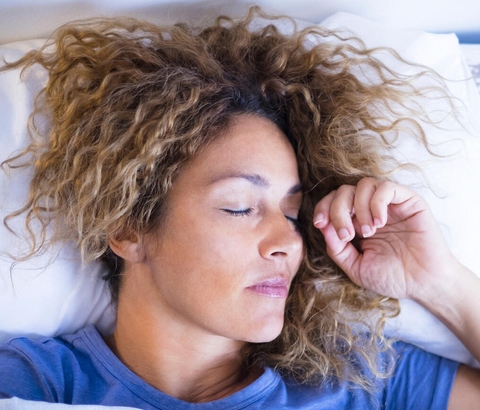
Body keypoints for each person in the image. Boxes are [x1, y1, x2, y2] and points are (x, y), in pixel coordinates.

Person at [0, 6, 479, 409]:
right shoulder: (35, 382)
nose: (286, 243)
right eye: (238, 208)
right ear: (129, 227)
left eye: (292, 215)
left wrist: (441, 282)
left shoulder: (356, 377)